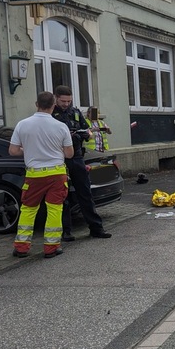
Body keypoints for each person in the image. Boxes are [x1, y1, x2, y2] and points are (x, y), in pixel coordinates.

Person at [9, 91, 74, 259]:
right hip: (57, 174)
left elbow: (13, 151)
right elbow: (69, 154)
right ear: (53, 106)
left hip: (34, 175)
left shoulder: (22, 124)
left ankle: (22, 248)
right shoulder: (61, 126)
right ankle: (51, 248)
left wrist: (28, 149)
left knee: (28, 210)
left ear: (36, 104)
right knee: (54, 210)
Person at [53, 85, 112, 240]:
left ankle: (96, 228)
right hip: (60, 158)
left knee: (85, 193)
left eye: (69, 101)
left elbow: (87, 130)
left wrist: (86, 134)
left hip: (77, 157)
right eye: (63, 101)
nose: (66, 104)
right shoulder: (51, 114)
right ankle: (66, 231)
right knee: (63, 197)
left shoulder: (75, 112)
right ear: (56, 98)